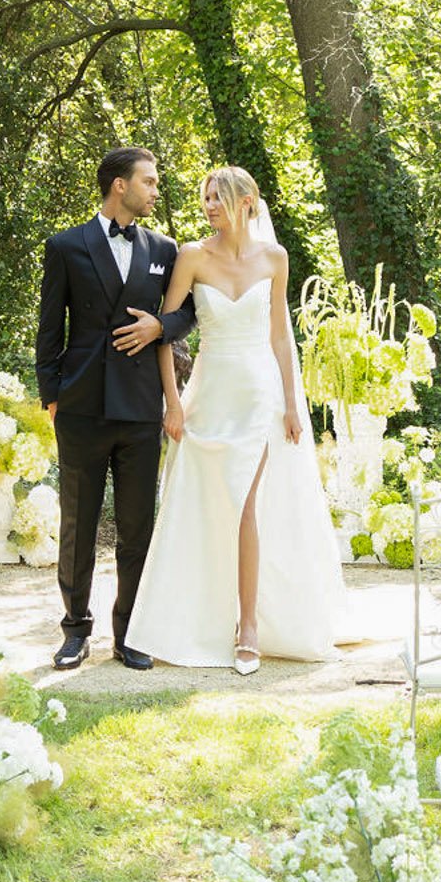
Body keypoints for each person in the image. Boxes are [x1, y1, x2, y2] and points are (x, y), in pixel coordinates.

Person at [125, 166, 349, 672]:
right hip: (208, 396)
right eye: (205, 198)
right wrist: (173, 402)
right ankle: (193, 618)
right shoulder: (192, 256)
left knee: (247, 504)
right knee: (204, 507)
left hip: (259, 397)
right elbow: (167, 334)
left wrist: (292, 403)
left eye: (219, 198)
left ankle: (248, 626)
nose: (209, 207)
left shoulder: (275, 258)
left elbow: (279, 337)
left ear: (248, 202)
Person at [35, 146, 195, 670]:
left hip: (140, 406)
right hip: (80, 407)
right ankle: (75, 631)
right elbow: (48, 332)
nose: (155, 190)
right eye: (148, 182)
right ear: (119, 186)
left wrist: (160, 327)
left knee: (136, 526)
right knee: (78, 524)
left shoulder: (165, 248)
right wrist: (52, 395)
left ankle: (131, 633)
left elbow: (188, 311)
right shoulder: (65, 246)